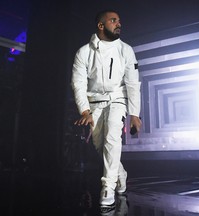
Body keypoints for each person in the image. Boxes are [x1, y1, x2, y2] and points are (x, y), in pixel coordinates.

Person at [71, 9, 142, 208]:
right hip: (94, 104)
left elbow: (133, 83)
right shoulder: (84, 52)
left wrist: (135, 114)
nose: (118, 23)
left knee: (112, 137)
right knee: (100, 146)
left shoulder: (126, 50)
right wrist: (84, 111)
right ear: (101, 25)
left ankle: (107, 187)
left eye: (119, 20)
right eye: (113, 20)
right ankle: (120, 173)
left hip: (118, 99)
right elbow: (78, 83)